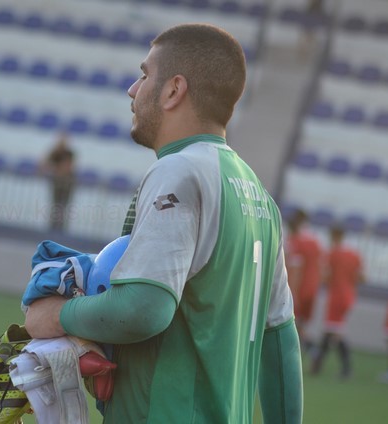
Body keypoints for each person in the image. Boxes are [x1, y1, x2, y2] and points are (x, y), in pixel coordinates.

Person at [25, 23, 303, 423]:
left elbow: (144, 309)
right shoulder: (260, 197)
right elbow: (281, 346)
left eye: (144, 75)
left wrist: (55, 315)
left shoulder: (180, 171)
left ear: (174, 90)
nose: (132, 90)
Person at [311, 225, 363, 379]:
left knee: (335, 331)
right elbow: (361, 277)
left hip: (336, 296)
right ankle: (318, 364)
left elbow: (325, 276)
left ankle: (346, 368)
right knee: (331, 330)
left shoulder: (332, 254)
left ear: (334, 236)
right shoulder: (354, 254)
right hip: (348, 295)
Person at [285, 209, 323, 353]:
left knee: (290, 325)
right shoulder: (315, 241)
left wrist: (293, 292)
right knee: (300, 325)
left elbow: (296, 270)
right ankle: (309, 351)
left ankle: (311, 350)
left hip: (299, 289)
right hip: (312, 288)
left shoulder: (295, 242)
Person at [41, 132, 76, 232]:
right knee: (55, 205)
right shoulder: (55, 152)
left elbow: (69, 167)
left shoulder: (70, 153)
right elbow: (46, 164)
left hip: (67, 183)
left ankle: (61, 227)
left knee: (64, 206)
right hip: (57, 182)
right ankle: (53, 226)